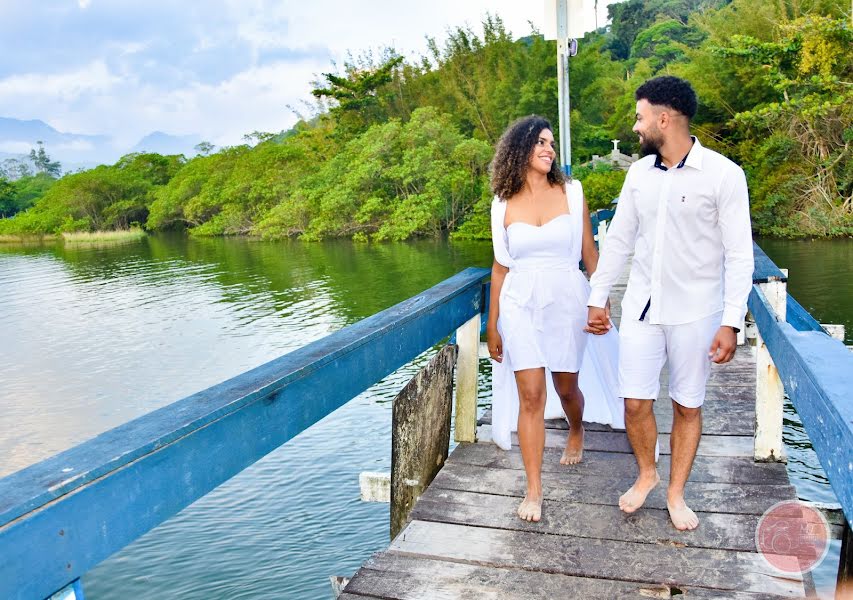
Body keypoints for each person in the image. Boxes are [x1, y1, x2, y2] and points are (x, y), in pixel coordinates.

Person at [586, 76, 754, 531]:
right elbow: (618, 241)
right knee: (635, 403)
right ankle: (647, 473)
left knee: (686, 405)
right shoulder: (638, 175)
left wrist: (730, 322)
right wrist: (597, 298)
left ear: (664, 118)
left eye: (640, 117)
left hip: (697, 313)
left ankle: (676, 493)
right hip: (641, 308)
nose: (636, 126)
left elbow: (740, 256)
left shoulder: (724, 175)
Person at [488, 115, 623, 523]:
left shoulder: (572, 191)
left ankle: (576, 428)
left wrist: (601, 299)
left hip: (567, 295)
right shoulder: (502, 203)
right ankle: (534, 489)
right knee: (531, 395)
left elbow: (589, 255)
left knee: (566, 388)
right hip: (520, 302)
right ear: (519, 150)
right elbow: (500, 266)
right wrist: (492, 324)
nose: (549, 149)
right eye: (540, 143)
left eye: (551, 143)